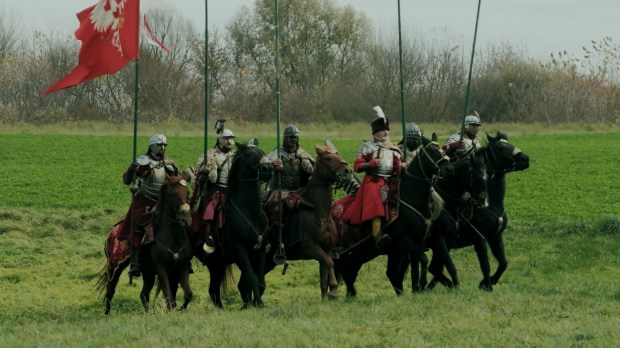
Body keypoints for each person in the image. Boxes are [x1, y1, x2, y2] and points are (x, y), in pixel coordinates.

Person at [342, 106, 402, 248]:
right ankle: (377, 235)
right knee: (376, 201)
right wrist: (372, 163)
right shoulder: (367, 147)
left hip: (390, 181)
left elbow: (397, 164)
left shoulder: (393, 148)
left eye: (387, 129)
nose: (386, 132)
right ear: (376, 133)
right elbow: (357, 166)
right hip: (373, 181)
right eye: (383, 130)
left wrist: (401, 166)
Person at [122, 133, 179, 277]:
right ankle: (135, 261)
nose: (162, 148)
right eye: (160, 145)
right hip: (145, 201)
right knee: (139, 226)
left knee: (179, 222)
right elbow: (127, 181)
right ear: (152, 146)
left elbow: (176, 180)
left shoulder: (169, 163)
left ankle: (182, 256)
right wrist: (131, 169)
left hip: (163, 202)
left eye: (164, 145)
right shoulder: (143, 161)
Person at [191, 120, 236, 254]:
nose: (229, 141)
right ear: (220, 140)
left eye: (231, 139)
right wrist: (204, 176)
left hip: (232, 191)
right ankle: (208, 235)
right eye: (227, 138)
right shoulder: (210, 155)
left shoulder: (235, 156)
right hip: (216, 191)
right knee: (210, 209)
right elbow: (199, 176)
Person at [264, 124, 315, 219]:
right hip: (279, 191)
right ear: (285, 138)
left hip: (299, 192)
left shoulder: (302, 154)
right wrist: (272, 164)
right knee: (276, 212)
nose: (294, 140)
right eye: (291, 137)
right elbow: (265, 165)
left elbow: (315, 168)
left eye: (295, 137)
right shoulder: (277, 153)